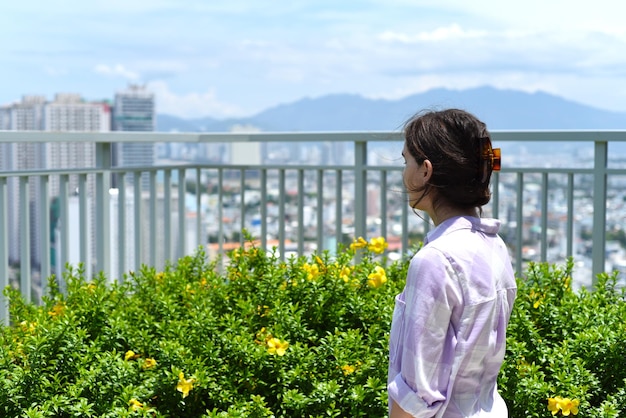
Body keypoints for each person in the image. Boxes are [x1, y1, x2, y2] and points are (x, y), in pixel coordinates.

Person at [388, 109, 517, 417]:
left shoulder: (436, 260)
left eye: (407, 161)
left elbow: (418, 394)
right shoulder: (495, 246)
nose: (404, 174)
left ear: (425, 171)